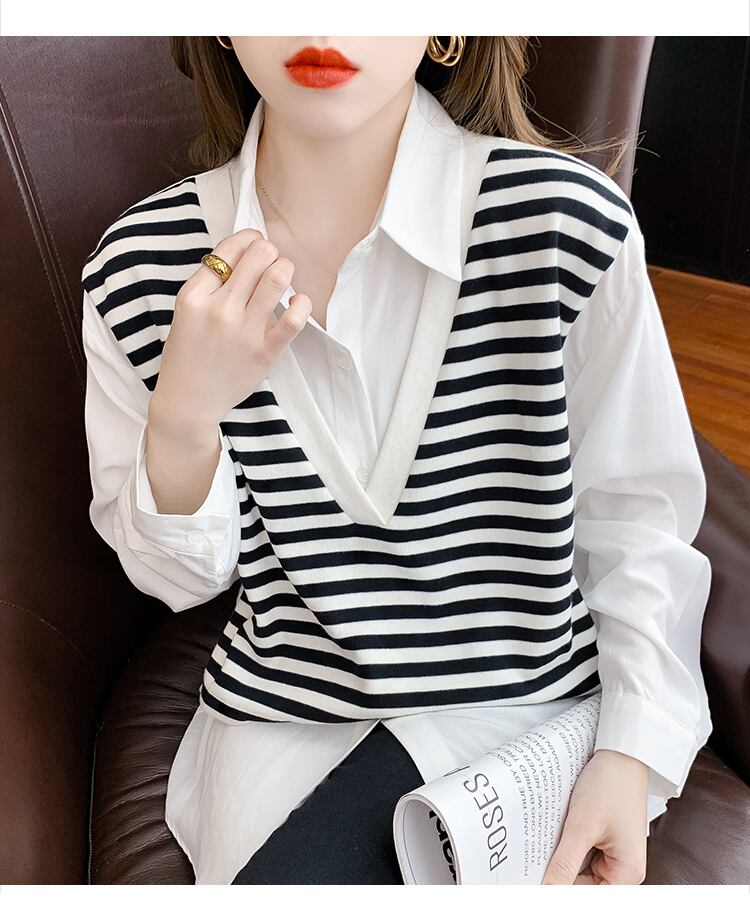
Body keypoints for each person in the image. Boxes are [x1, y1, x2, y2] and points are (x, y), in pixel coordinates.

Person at [81, 36, 712, 885]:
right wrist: (185, 412)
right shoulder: (138, 268)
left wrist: (632, 755)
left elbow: (638, 524)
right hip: (283, 732)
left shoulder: (564, 224)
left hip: (525, 727)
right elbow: (180, 580)